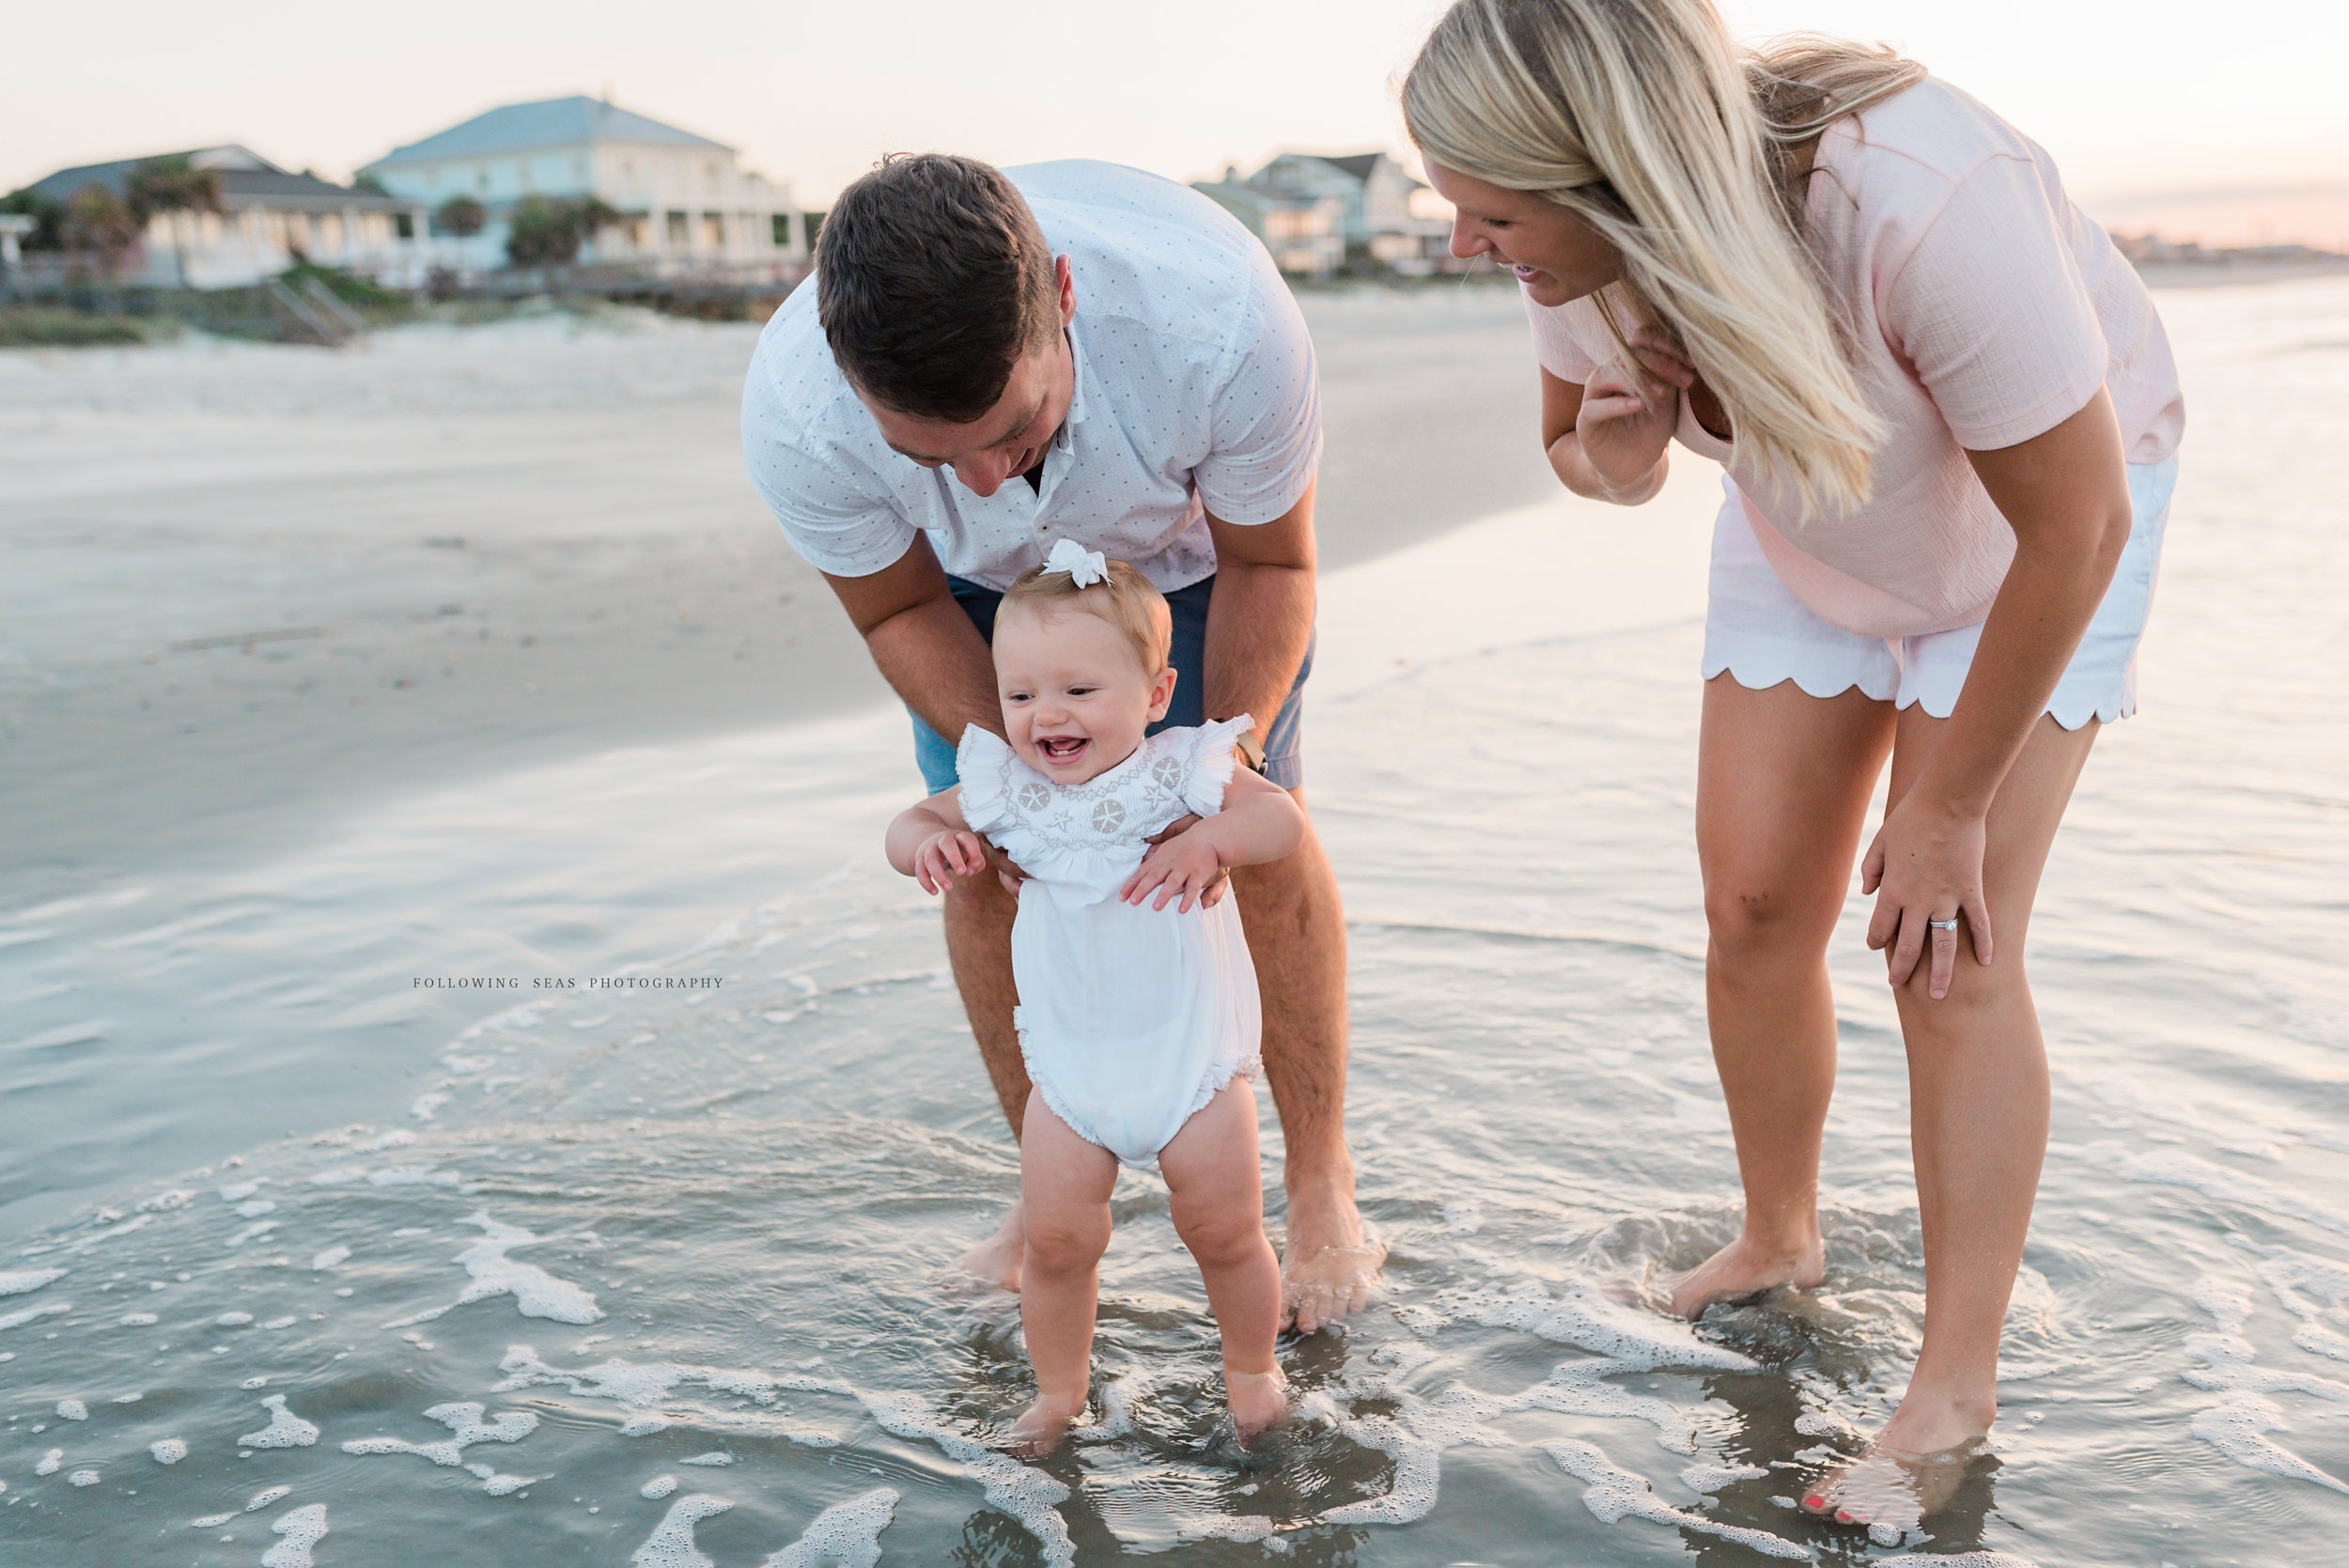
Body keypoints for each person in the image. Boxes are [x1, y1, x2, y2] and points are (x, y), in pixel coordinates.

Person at [1401, 0, 2184, 1534]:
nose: (1458, 244)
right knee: (1757, 900)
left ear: (1606, 166)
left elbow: (2077, 521)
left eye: (1486, 212)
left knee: (1941, 945)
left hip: (2045, 533)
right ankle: (1780, 1234)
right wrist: (1618, 453)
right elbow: (1583, 449)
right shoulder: (1577, 244)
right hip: (1816, 496)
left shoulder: (1918, 196)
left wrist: (1947, 798)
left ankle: (1953, 1387)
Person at [742, 153, 1381, 1331]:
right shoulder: (798, 416)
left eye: (1018, 431)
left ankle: (1318, 1179)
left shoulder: (1219, 319)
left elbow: (1271, 562)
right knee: (991, 855)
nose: (988, 480)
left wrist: (1213, 766)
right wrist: (1024, 780)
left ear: (1066, 296)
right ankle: (1050, 1185)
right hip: (969, 605)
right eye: (940, 459)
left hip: (1196, 566)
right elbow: (897, 610)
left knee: (1253, 839)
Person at [885, 543, 1303, 1451]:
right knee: (1060, 1244)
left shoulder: (1181, 767)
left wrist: (1214, 842)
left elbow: (1282, 818)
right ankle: (1058, 1395)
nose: (1047, 715)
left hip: (1188, 1061)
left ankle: (1251, 1370)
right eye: (1023, 693)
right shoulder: (1005, 787)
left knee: (1224, 1232)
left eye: (1079, 690)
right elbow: (908, 820)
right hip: (1071, 1075)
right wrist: (924, 843)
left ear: (1156, 695)